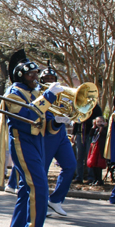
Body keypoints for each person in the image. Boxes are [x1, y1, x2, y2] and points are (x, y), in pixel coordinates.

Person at [0, 49, 62, 227]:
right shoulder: (13, 94)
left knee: (27, 191)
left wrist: (58, 121)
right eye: (31, 74)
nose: (36, 77)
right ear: (20, 76)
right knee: (40, 188)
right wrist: (48, 97)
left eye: (36, 73)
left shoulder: (35, 93)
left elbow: (46, 125)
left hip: (38, 143)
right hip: (22, 143)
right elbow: (28, 116)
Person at [38, 62, 76, 217]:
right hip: (46, 136)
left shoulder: (61, 94)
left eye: (52, 78)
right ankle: (40, 204)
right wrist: (57, 121)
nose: (49, 81)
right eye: (46, 78)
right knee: (42, 171)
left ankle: (56, 200)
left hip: (61, 135)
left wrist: (69, 116)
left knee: (70, 165)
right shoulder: (39, 94)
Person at [86, 116, 108, 185]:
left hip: (100, 148)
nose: (99, 123)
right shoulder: (95, 129)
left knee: (99, 165)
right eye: (98, 122)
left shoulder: (104, 129)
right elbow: (90, 134)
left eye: (101, 121)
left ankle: (99, 179)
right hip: (94, 147)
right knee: (93, 164)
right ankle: (95, 179)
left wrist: (102, 126)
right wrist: (93, 126)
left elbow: (102, 133)